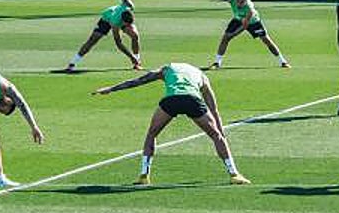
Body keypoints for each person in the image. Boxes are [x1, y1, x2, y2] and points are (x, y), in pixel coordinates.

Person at [93, 62, 249, 186]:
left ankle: (144, 175)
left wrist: (111, 89)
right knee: (215, 136)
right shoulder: (202, 76)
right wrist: (220, 132)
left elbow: (139, 81)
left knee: (152, 134)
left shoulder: (167, 68)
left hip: (171, 100)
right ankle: (234, 173)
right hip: (192, 100)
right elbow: (213, 109)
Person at [64, 0, 141, 71]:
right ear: (123, 22)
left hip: (120, 17)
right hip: (106, 19)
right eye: (127, 26)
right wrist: (130, 57)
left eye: (129, 25)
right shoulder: (115, 22)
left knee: (135, 35)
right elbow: (118, 43)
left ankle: (137, 62)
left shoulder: (129, 5)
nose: (128, 28)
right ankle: (72, 63)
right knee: (92, 40)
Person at [205, 0, 290, 69]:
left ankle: (282, 61)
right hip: (238, 19)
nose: (241, 3)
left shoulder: (249, 8)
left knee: (266, 40)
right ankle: (217, 63)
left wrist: (234, 34)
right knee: (225, 38)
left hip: (253, 22)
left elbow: (245, 26)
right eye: (239, 1)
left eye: (243, 1)